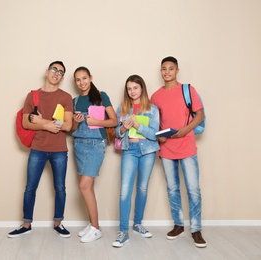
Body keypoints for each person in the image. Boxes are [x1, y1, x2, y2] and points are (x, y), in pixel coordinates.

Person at [8, 61, 73, 238]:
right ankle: (26, 224)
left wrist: (41, 121)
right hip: (38, 148)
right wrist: (47, 125)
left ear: (62, 77)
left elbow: (67, 125)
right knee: (30, 187)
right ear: (47, 72)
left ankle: (58, 223)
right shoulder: (33, 96)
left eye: (60, 72)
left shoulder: (65, 97)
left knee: (60, 188)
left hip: (59, 150)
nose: (56, 73)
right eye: (54, 70)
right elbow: (25, 122)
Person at [151, 56, 207, 248]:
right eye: (164, 69)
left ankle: (196, 229)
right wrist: (159, 136)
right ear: (160, 71)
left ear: (177, 70)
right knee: (172, 188)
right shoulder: (155, 96)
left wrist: (186, 128)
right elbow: (154, 124)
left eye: (171, 69)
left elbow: (200, 114)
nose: (167, 72)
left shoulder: (188, 90)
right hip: (166, 148)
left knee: (193, 189)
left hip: (187, 145)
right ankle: (178, 225)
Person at [112, 75, 160, 248]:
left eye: (135, 88)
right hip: (129, 151)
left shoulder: (153, 109)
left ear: (142, 89)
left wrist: (139, 126)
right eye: (129, 88)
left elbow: (155, 134)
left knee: (142, 188)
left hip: (147, 150)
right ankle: (123, 232)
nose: (132, 91)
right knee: (125, 190)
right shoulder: (122, 108)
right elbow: (117, 133)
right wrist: (124, 127)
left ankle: (137, 224)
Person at [71, 66, 117, 243]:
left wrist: (96, 121)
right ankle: (93, 224)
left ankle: (96, 229)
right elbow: (72, 129)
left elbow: (114, 120)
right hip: (79, 145)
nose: (81, 82)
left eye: (84, 78)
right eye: (78, 79)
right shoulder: (74, 101)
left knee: (83, 186)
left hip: (95, 145)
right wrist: (76, 122)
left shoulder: (101, 96)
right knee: (87, 188)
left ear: (90, 77)